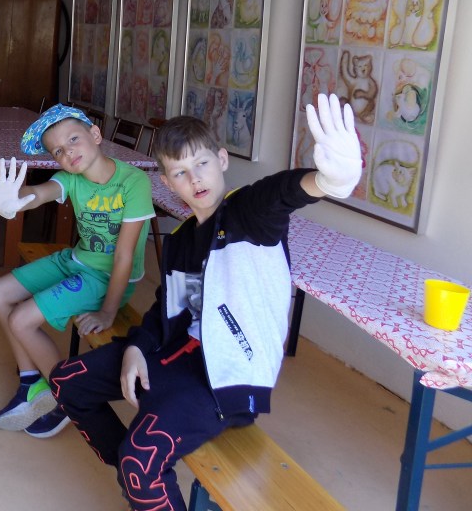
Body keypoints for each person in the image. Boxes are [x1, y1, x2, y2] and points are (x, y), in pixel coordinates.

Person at [48, 93, 362, 510]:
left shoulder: (247, 215)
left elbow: (281, 193)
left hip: (222, 376)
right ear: (167, 182)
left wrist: (330, 181)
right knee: (66, 381)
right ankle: (136, 479)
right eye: (180, 172)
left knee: (140, 463)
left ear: (222, 159)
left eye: (202, 164)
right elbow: (169, 309)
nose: (195, 179)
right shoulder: (181, 241)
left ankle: (139, 475)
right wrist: (137, 348)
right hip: (174, 355)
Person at [0, 104, 155, 439]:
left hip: (107, 279)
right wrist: (14, 199)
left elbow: (124, 257)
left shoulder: (133, 182)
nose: (68, 152)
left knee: (21, 319)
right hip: (76, 261)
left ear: (95, 134)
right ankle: (32, 383)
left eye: (73, 139)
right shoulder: (71, 179)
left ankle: (67, 398)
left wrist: (108, 311)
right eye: (58, 151)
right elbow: (41, 193)